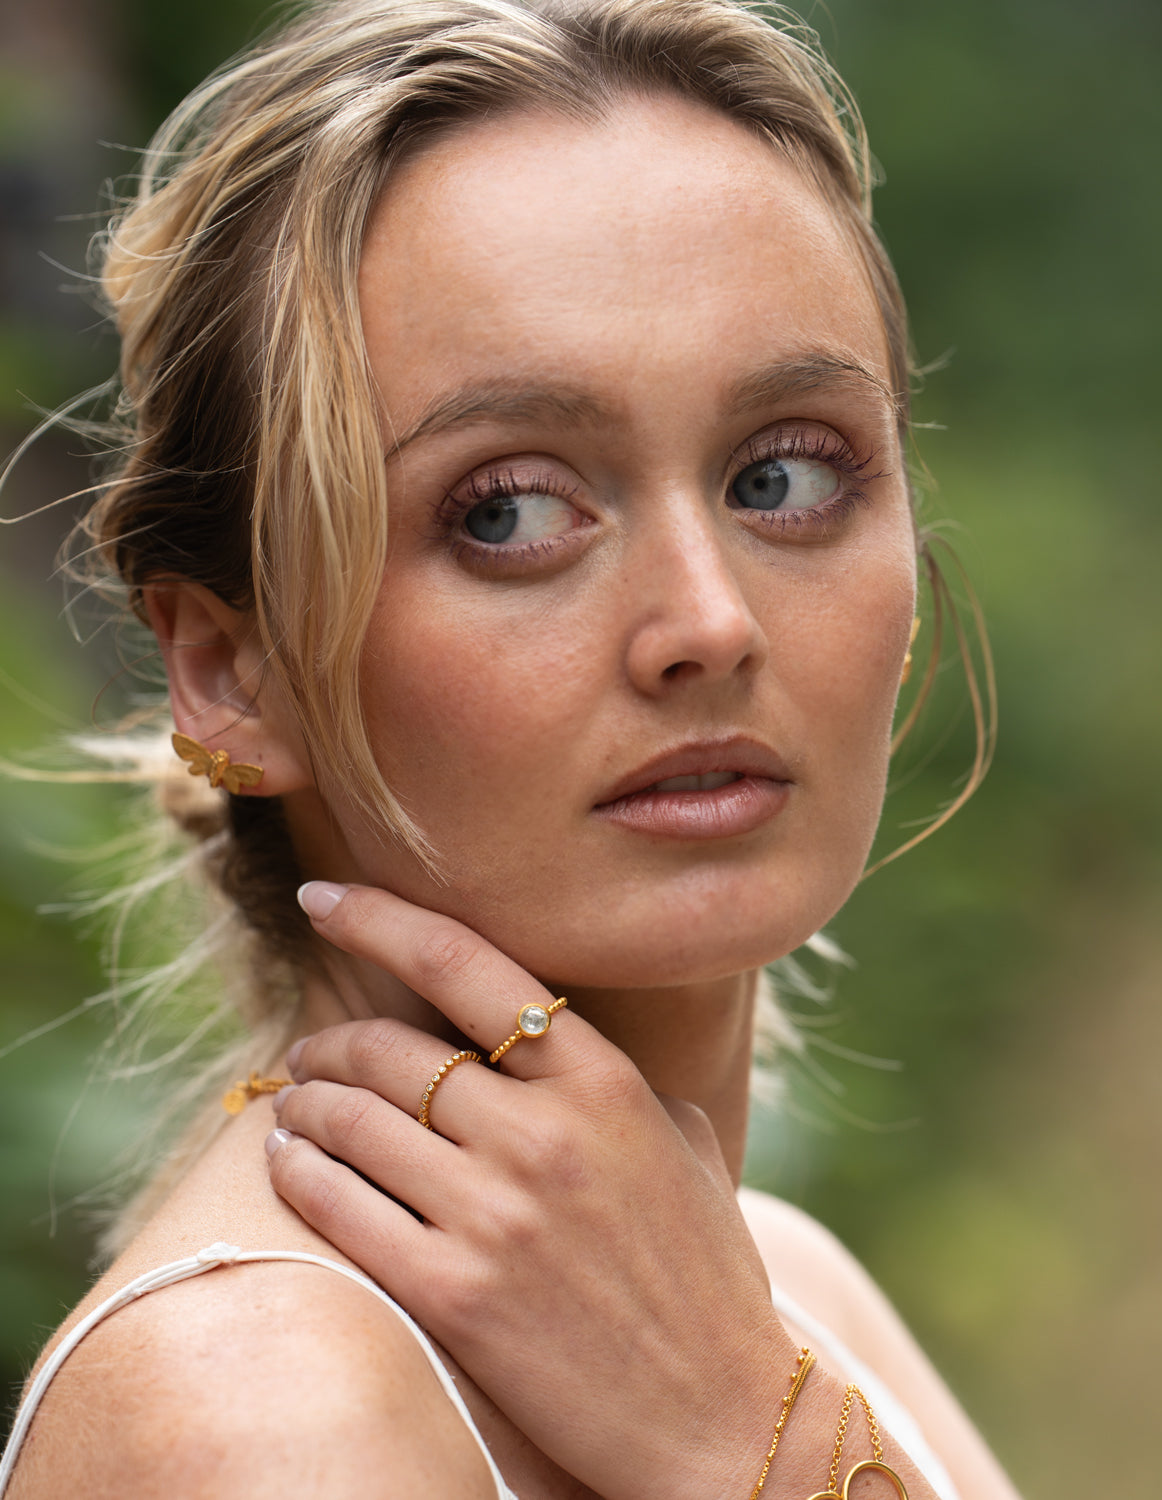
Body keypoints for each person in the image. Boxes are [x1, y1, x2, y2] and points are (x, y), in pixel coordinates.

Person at [0, 1, 1017, 1495]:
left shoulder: (774, 1294)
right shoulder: (261, 1417)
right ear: (232, 668)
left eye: (785, 473)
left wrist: (746, 1416)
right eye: (512, 511)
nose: (710, 620)